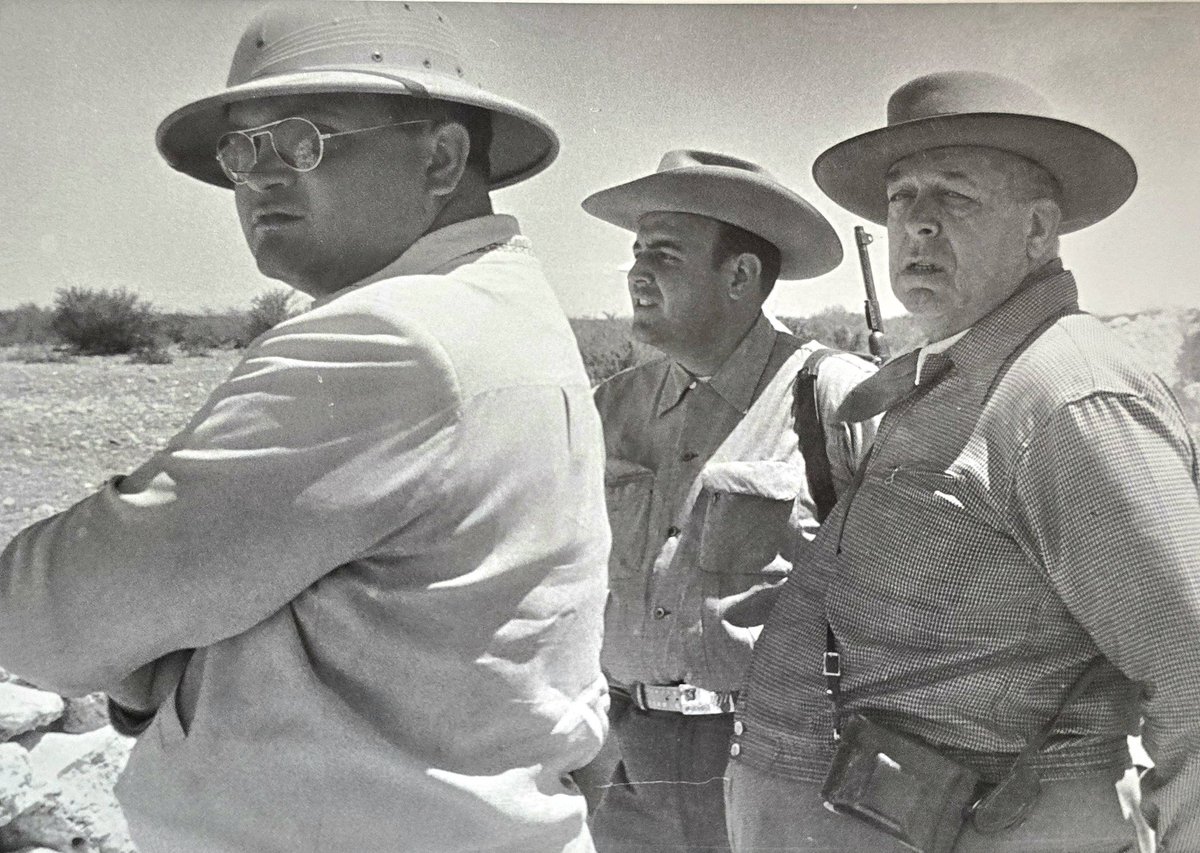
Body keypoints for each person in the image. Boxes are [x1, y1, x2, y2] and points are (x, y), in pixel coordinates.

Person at [0, 4, 610, 851]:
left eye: (301, 141)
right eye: (240, 150)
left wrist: (144, 631)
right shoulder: (500, 308)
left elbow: (51, 615)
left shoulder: (392, 337)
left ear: (440, 157)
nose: (258, 177)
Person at [727, 70, 1200, 852]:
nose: (916, 224)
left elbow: (1192, 667)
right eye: (901, 198)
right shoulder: (959, 374)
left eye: (954, 196)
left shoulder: (1066, 391)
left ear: (1039, 229)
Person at [579, 150, 878, 852]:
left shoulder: (836, 399)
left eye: (666, 254)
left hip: (779, 763)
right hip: (630, 769)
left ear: (740, 275)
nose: (637, 272)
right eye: (636, 251)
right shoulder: (609, 409)